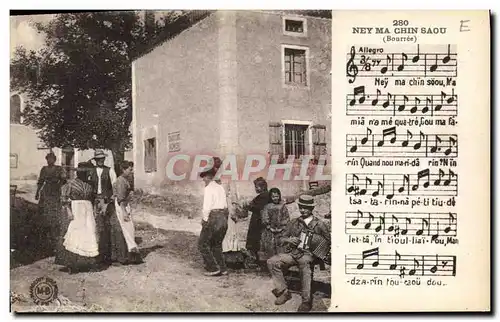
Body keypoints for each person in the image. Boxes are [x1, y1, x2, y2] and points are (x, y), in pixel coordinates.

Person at [267, 195, 331, 312]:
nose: (302, 210)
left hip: (310, 255)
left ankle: (306, 301)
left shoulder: (319, 224)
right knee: (272, 261)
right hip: (294, 253)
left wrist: (320, 250)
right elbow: (280, 239)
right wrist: (288, 240)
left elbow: (328, 241)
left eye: (305, 208)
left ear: (311, 209)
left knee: (304, 263)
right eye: (301, 207)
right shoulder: (294, 222)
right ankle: (284, 292)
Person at [56, 162, 99, 272]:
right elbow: (64, 199)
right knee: (75, 235)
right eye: (81, 173)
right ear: (78, 173)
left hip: (88, 211)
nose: (84, 175)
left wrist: (94, 210)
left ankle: (87, 262)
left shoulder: (90, 184)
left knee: (89, 233)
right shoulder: (71, 184)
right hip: (76, 210)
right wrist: (69, 211)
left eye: (85, 173)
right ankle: (72, 264)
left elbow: (94, 199)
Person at [107, 161, 143, 265]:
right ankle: (124, 256)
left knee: (127, 230)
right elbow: (120, 198)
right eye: (129, 169)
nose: (131, 171)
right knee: (126, 230)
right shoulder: (121, 181)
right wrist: (124, 212)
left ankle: (124, 256)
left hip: (124, 206)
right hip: (121, 207)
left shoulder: (123, 180)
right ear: (123, 169)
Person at [198, 168, 229, 276]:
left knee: (202, 244)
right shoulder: (220, 187)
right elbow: (225, 205)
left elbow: (207, 207)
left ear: (208, 177)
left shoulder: (208, 188)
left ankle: (213, 268)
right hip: (223, 217)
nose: (203, 180)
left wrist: (204, 220)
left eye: (204, 177)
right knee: (216, 245)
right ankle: (223, 268)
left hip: (214, 217)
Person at [87, 149, 117, 264]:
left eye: (102, 159)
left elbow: (114, 188)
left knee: (107, 226)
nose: (100, 160)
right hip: (94, 200)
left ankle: (108, 254)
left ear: (104, 159)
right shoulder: (91, 171)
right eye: (98, 159)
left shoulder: (110, 171)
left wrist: (109, 202)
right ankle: (95, 253)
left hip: (106, 201)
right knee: (95, 226)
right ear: (95, 160)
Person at [35, 152, 66, 247]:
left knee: (55, 211)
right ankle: (44, 231)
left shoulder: (59, 169)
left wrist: (59, 185)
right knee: (44, 210)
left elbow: (64, 180)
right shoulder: (44, 169)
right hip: (46, 191)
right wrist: (37, 192)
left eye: (52, 159)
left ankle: (55, 232)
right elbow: (40, 181)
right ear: (46, 159)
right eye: (48, 158)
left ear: (55, 160)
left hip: (55, 191)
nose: (50, 160)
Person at [239, 177, 270, 265]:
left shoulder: (263, 196)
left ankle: (254, 259)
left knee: (254, 239)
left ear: (263, 187)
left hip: (258, 221)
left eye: (257, 187)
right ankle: (255, 258)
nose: (256, 189)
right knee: (256, 239)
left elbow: (258, 208)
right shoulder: (265, 195)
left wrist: (248, 206)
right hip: (258, 219)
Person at [258, 188, 290, 263]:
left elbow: (286, 217)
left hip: (281, 231)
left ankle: (281, 264)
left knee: (281, 247)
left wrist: (282, 227)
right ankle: (270, 264)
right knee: (270, 247)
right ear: (270, 197)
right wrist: (269, 227)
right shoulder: (267, 207)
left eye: (277, 196)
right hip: (269, 231)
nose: (275, 198)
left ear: (279, 196)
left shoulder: (282, 206)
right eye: (273, 197)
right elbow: (265, 218)